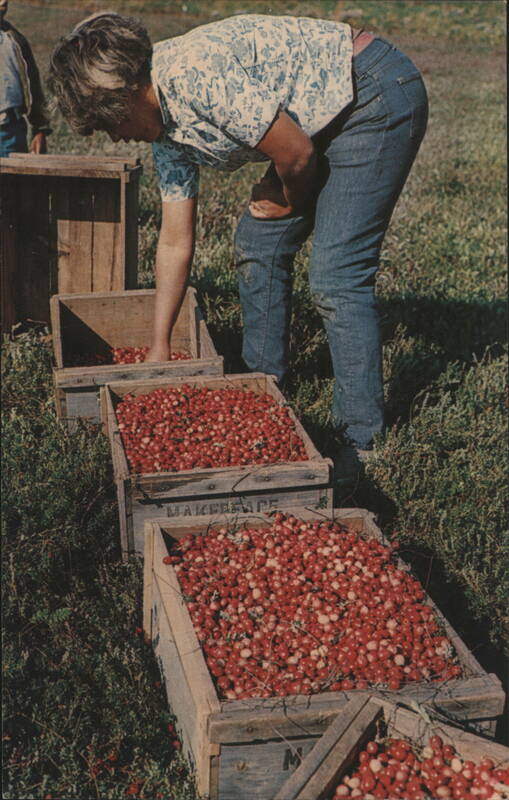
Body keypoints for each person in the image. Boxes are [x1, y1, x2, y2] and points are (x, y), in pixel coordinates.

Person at [48, 11, 428, 478]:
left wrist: (289, 200)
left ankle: (361, 439)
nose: (115, 136)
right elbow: (174, 240)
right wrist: (160, 345)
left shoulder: (194, 76)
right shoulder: (164, 130)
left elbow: (297, 153)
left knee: (336, 274)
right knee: (258, 241)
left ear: (124, 95)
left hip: (371, 96)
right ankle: (263, 389)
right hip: (317, 118)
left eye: (110, 123)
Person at [0, 0, 51, 156]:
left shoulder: (15, 40)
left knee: (11, 172)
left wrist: (40, 129)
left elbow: (33, 87)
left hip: (9, 131)